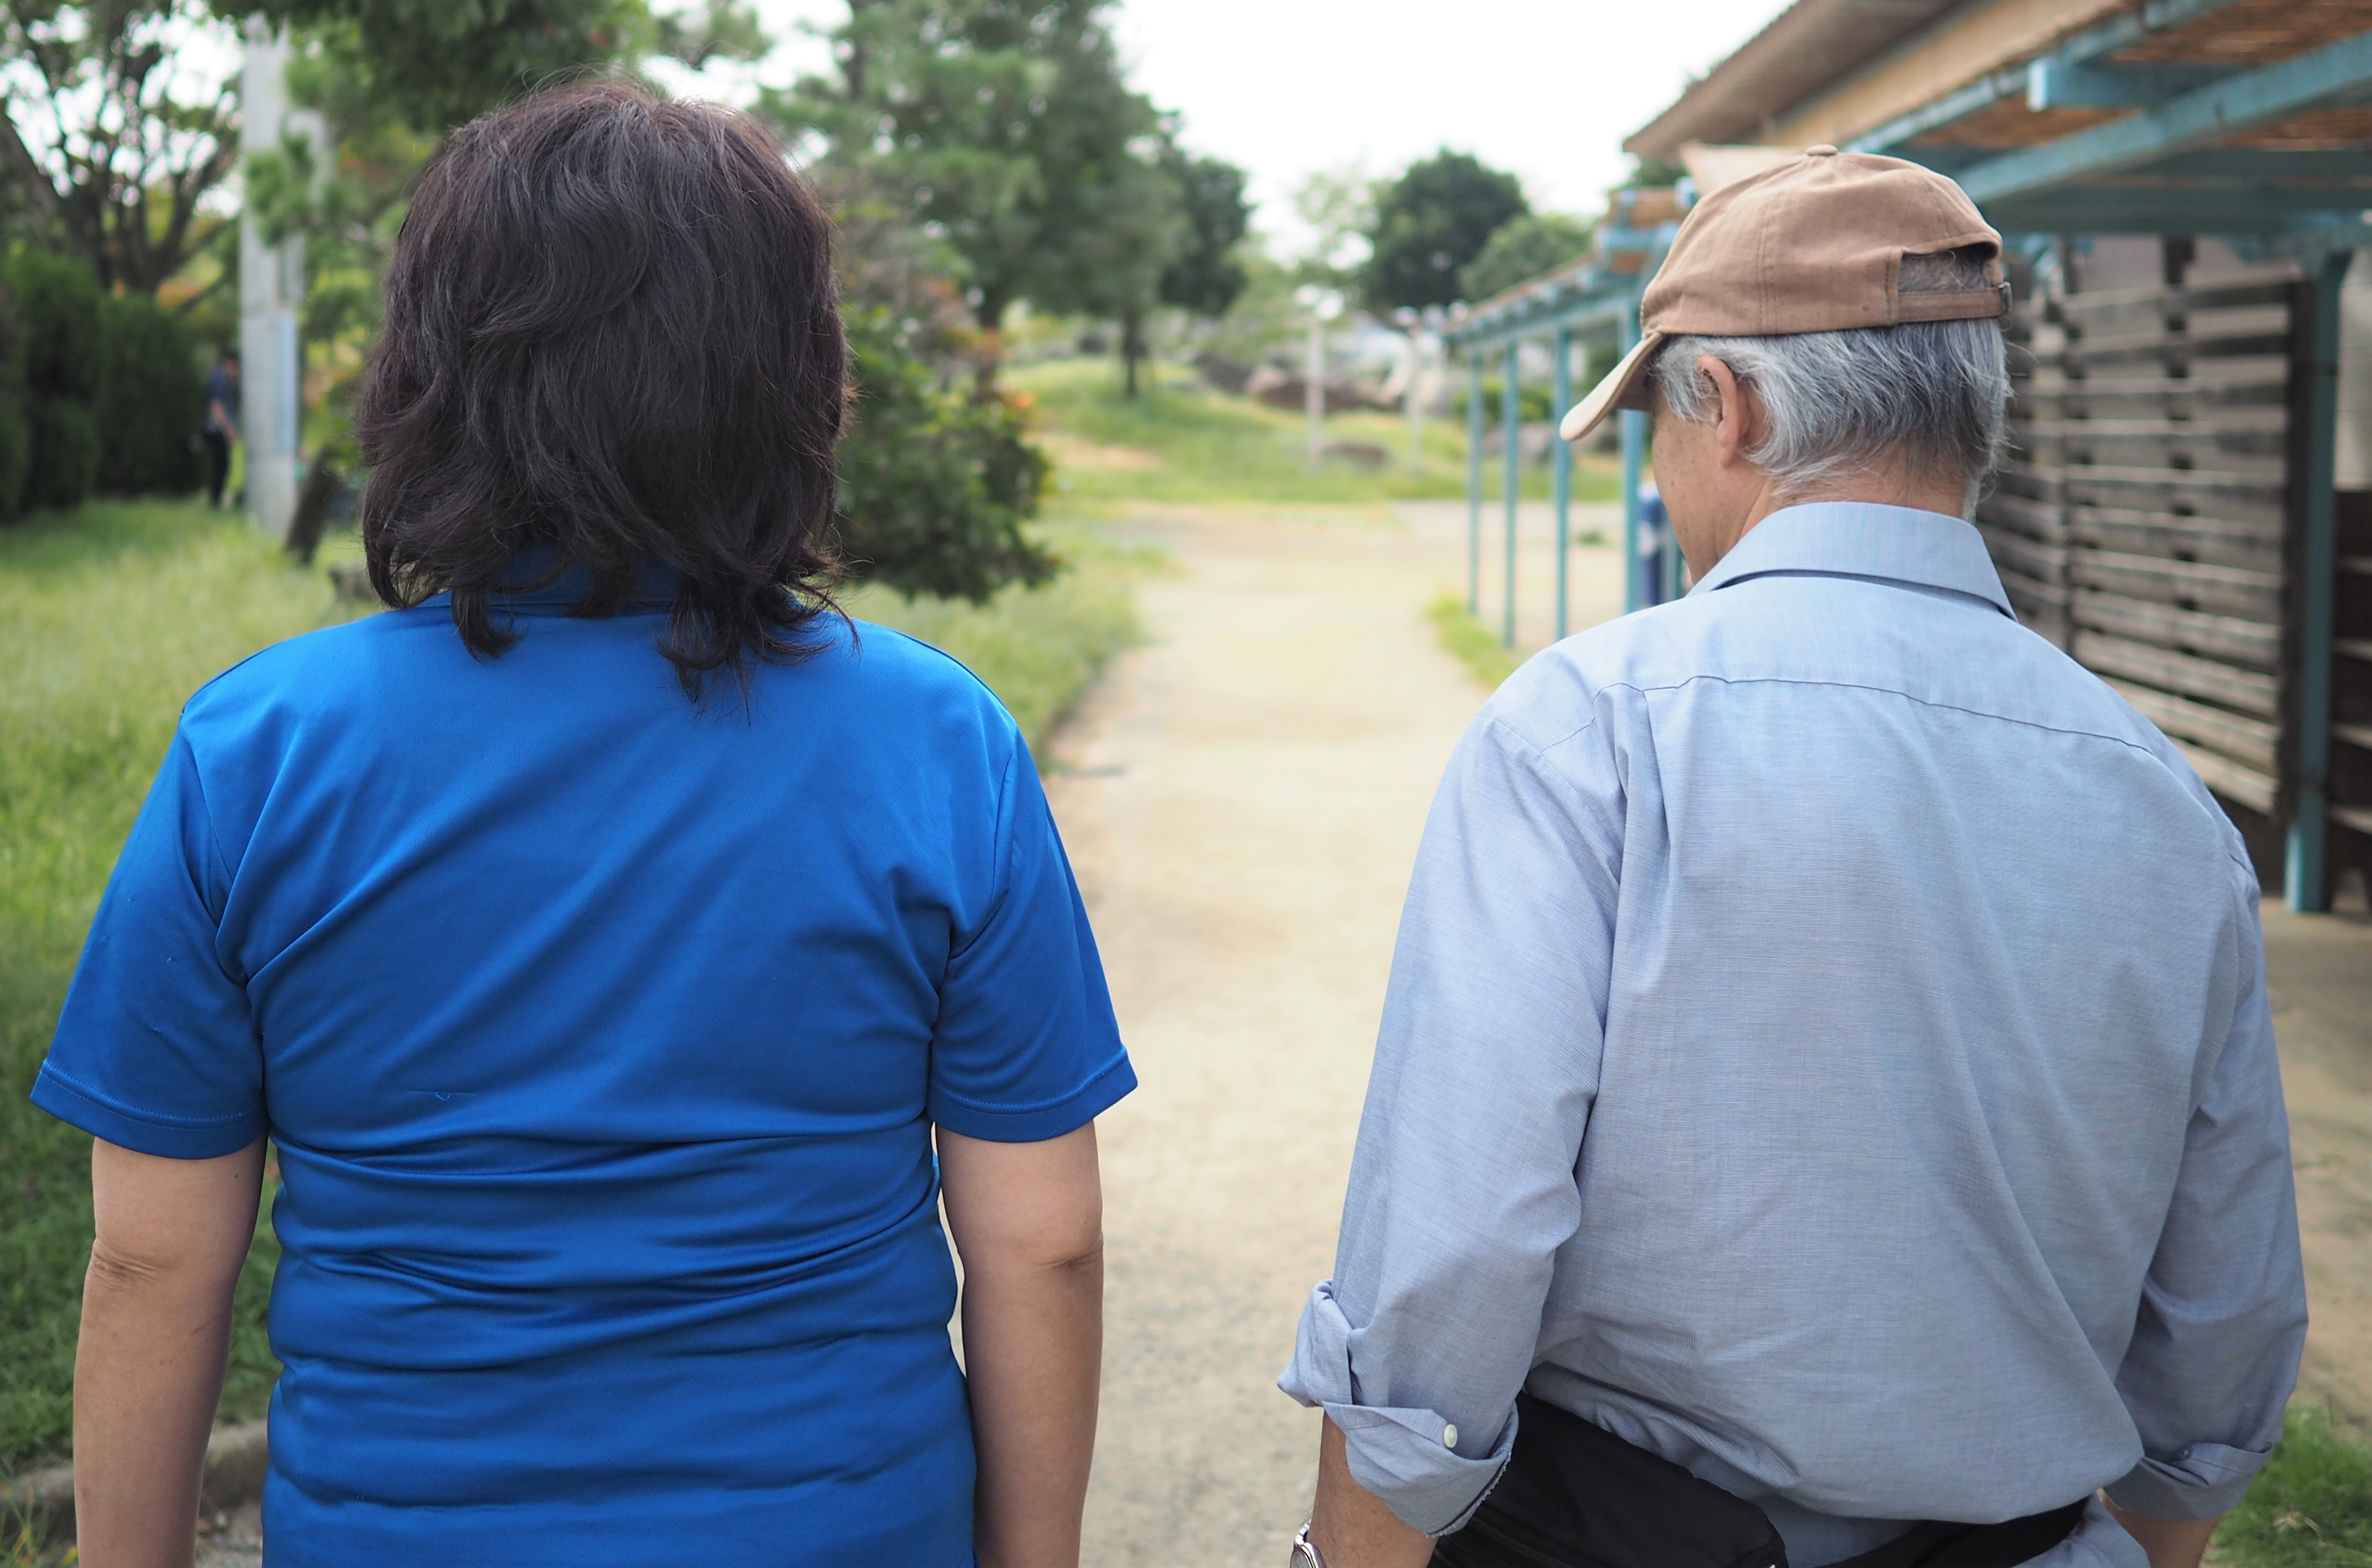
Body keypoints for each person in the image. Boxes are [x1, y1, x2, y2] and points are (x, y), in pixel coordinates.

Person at [35, 82, 1133, 1566]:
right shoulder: (937, 745)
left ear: (431, 374)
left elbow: (152, 1256)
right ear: (793, 381)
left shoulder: (263, 752)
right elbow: (1042, 1239)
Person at [1280, 149, 2304, 1568]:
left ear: (1733, 407)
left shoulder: (1589, 729)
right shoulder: (2162, 802)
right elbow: (2221, 1307)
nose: (1656, 468)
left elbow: (1452, 1247)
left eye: (1655, 415)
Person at [200, 348, 238, 508]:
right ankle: (215, 500)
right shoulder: (219, 378)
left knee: (221, 464)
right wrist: (229, 429)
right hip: (218, 428)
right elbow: (216, 406)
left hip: (219, 427)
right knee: (221, 464)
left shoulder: (219, 377)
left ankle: (216, 498)